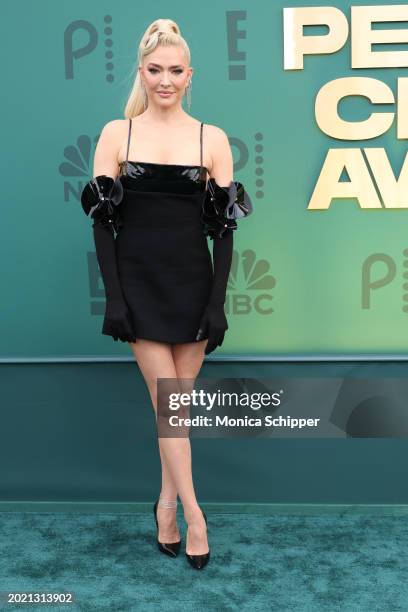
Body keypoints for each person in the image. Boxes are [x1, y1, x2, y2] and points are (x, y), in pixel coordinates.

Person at [80, 18, 253, 570]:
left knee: (171, 412)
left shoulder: (212, 139)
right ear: (141, 71)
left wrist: (217, 304)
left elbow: (224, 231)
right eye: (155, 70)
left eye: (175, 71)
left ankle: (165, 506)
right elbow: (101, 226)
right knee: (173, 410)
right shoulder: (117, 134)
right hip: (138, 287)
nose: (165, 80)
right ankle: (196, 515)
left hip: (192, 286)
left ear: (190, 75)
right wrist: (115, 299)